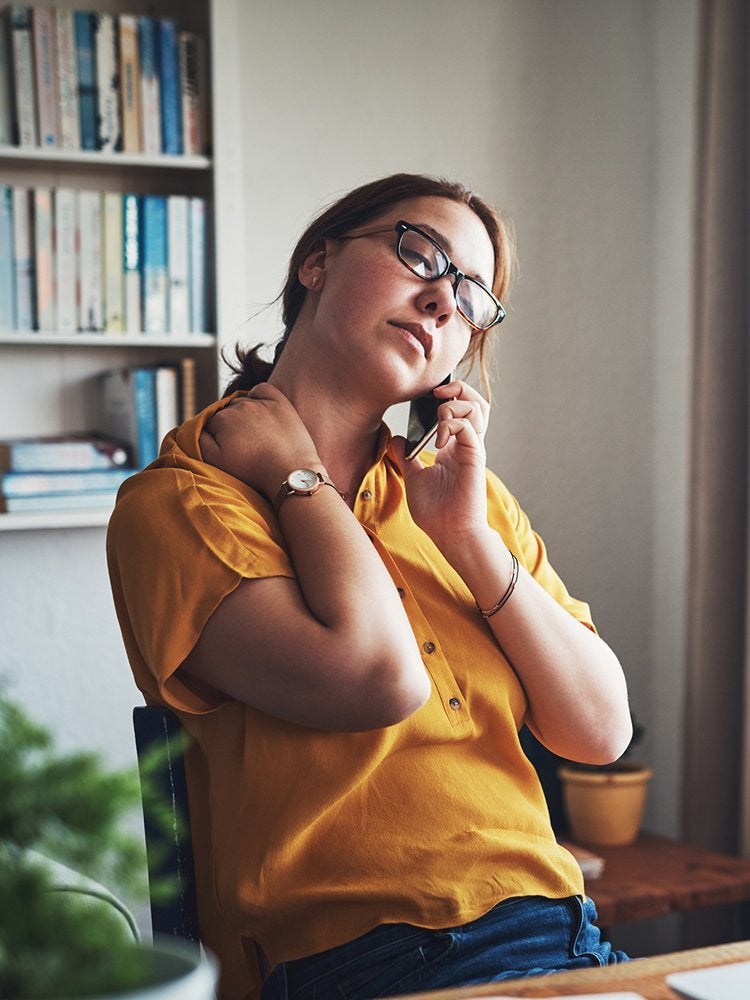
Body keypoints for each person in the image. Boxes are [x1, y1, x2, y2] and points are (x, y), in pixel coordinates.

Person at [107, 172, 633, 1000]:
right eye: (420, 254)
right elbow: (379, 678)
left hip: (562, 932)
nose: (441, 303)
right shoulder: (182, 501)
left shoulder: (463, 497)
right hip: (369, 959)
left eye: (472, 299)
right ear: (316, 262)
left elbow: (601, 730)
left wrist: (463, 536)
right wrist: (294, 474)